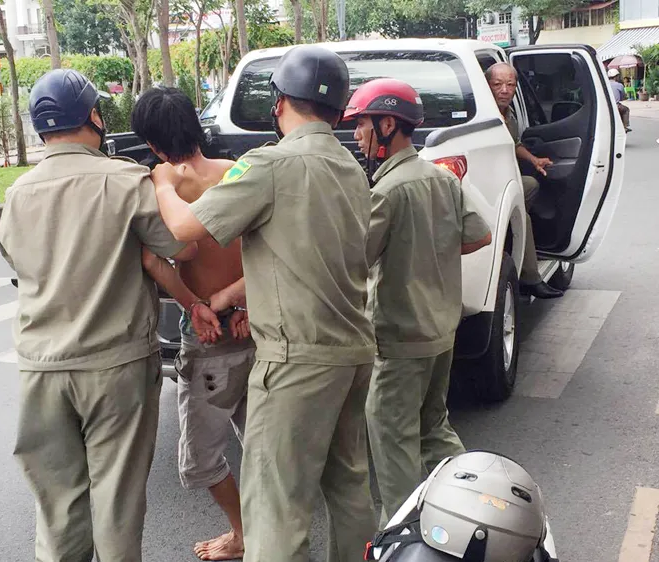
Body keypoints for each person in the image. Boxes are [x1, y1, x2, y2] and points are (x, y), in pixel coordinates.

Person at [151, 44, 377, 562]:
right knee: (348, 486)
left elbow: (185, 228)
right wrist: (230, 293)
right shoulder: (349, 167)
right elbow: (301, 254)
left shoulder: (267, 164)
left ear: (279, 104)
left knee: (276, 501)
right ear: (340, 111)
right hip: (355, 351)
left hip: (297, 360)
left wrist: (163, 183)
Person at [0, 69, 198, 562]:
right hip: (115, 365)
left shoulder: (19, 192)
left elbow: (14, 257)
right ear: (93, 116)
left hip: (41, 369)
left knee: (58, 505)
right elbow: (179, 245)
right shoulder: (126, 180)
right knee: (116, 503)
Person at [343, 78, 493, 526]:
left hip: (399, 339)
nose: (357, 134)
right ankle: (479, 506)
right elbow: (479, 234)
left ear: (388, 124)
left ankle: (407, 534)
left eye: (363, 124)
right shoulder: (442, 177)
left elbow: (355, 259)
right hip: (442, 331)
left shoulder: (386, 191)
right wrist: (432, 251)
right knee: (435, 429)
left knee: (392, 442)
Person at [132, 85, 253, 562]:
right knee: (260, 440)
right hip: (251, 326)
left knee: (199, 460)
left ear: (154, 145)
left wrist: (191, 305)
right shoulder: (235, 173)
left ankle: (244, 534)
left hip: (208, 339)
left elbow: (158, 260)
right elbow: (263, 248)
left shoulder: (162, 189)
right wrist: (246, 304)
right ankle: (268, 527)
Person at [485, 62, 563, 300]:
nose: (504, 90)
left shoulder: (509, 114)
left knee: (531, 183)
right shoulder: (484, 115)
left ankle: (514, 231)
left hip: (506, 177)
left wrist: (535, 159)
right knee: (523, 212)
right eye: (498, 84)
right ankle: (530, 277)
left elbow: (515, 143)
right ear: (487, 85)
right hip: (488, 181)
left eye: (510, 84)